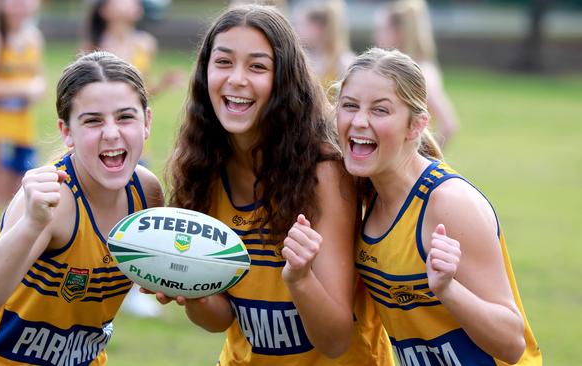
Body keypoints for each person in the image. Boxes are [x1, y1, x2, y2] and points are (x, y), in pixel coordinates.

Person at [163, 5, 393, 365]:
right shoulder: (199, 167)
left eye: (257, 66)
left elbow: (334, 339)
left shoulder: (325, 173)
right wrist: (190, 287)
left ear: (283, 80)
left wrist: (300, 279)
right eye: (223, 62)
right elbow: (221, 318)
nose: (237, 79)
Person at [0, 51, 164, 364]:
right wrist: (32, 224)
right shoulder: (51, 198)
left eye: (125, 117)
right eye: (92, 120)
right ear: (67, 132)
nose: (111, 133)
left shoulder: (146, 194)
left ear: (146, 121)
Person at [335, 47, 542, 364]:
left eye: (380, 110)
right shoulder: (366, 193)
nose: (360, 121)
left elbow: (512, 342)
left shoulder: (448, 203)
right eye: (350, 106)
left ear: (416, 125)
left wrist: (447, 289)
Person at [84, 0, 183, 318]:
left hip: (137, 145)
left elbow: (139, 96)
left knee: (136, 214)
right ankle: (99, 279)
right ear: (105, 9)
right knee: (104, 215)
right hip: (105, 146)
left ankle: (133, 288)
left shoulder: (145, 44)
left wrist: (161, 85)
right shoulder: (95, 47)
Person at [0, 0, 46, 205]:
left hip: (24, 131)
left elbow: (39, 79)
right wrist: (24, 89)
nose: (21, 5)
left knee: (20, 201)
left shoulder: (33, 37)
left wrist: (38, 88)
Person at [373, 0, 458, 147]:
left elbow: (448, 124)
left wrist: (428, 160)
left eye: (382, 30)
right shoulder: (400, 69)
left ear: (399, 32)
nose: (376, 37)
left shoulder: (421, 72)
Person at [292, 0, 355, 90]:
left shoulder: (343, 63)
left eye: (300, 24)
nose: (295, 29)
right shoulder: (303, 59)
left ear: (317, 28)